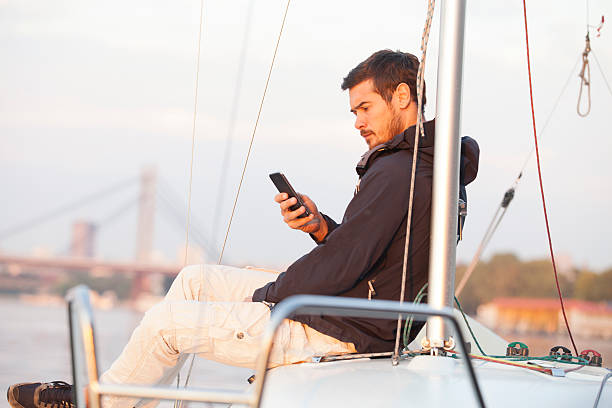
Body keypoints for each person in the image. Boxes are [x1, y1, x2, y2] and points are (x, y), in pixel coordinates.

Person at [7, 49, 479, 408]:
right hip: (349, 309)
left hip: (343, 330)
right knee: (194, 280)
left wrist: (269, 294)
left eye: (365, 108)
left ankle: (99, 401)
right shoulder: (423, 167)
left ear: (401, 96)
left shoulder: (400, 171)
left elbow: (342, 266)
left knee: (166, 324)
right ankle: (124, 397)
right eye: (353, 112)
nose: (357, 122)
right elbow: (373, 254)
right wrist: (320, 227)